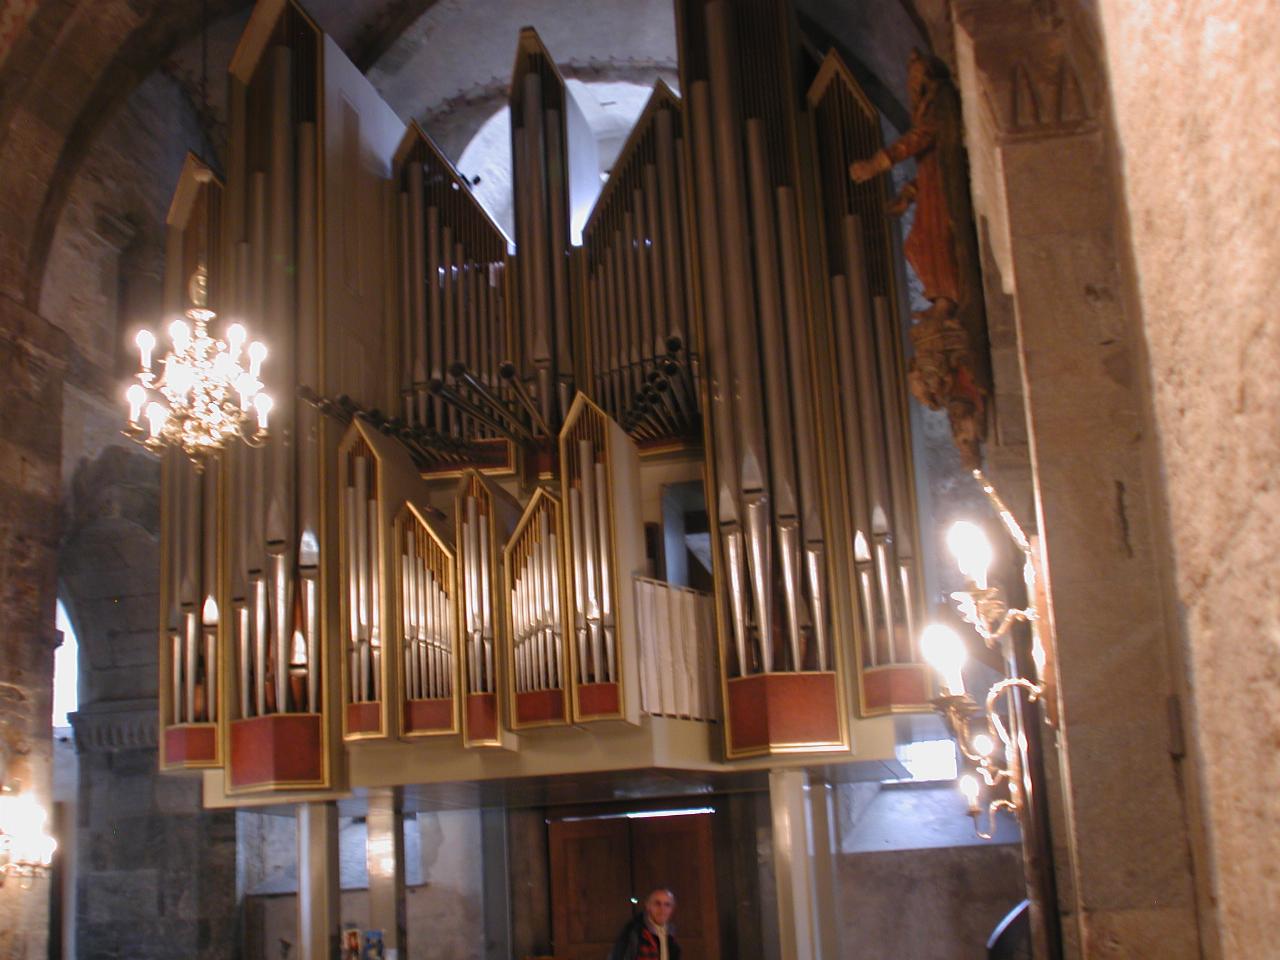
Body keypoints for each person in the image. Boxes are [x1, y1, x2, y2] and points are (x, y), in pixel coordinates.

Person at [608, 888, 681, 960]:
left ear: (672, 908)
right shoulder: (634, 931)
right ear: (648, 906)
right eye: (657, 903)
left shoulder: (671, 934)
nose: (662, 909)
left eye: (667, 905)